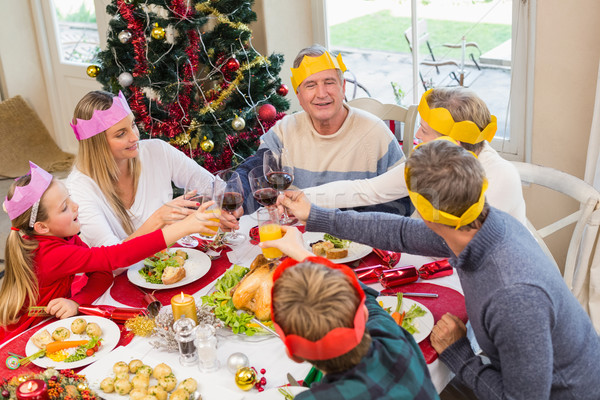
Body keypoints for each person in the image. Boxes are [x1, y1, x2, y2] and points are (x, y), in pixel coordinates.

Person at [276, 139, 600, 399]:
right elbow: (399, 232)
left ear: (424, 211)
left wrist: (459, 355)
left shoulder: (513, 297)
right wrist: (315, 215)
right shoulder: (480, 223)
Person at [0, 162, 219, 344]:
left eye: (70, 198)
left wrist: (78, 301)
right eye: (64, 208)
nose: (75, 206)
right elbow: (115, 257)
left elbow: (103, 269)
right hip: (29, 332)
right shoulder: (51, 254)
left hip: (57, 315)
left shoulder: (63, 237)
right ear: (42, 227)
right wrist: (183, 227)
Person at [302, 87, 526, 225]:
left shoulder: (500, 178)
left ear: (452, 145)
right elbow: (368, 191)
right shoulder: (433, 161)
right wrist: (301, 198)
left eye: (425, 131)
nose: (417, 135)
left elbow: (458, 251)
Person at [236, 44, 408, 214]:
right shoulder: (283, 131)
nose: (322, 93)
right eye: (310, 85)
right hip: (295, 235)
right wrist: (236, 202)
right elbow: (252, 172)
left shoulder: (376, 133)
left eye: (329, 82)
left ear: (343, 87)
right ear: (299, 96)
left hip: (355, 237)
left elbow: (404, 200)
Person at [262, 238, 438, 399]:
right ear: (364, 314)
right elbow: (359, 290)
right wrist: (299, 251)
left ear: (293, 355)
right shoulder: (392, 339)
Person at [66, 90, 237, 249]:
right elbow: (111, 262)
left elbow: (214, 187)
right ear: (97, 144)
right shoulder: (79, 188)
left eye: (132, 125)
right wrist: (158, 220)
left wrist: (226, 208)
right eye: (120, 134)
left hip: (169, 262)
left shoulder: (157, 150)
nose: (135, 137)